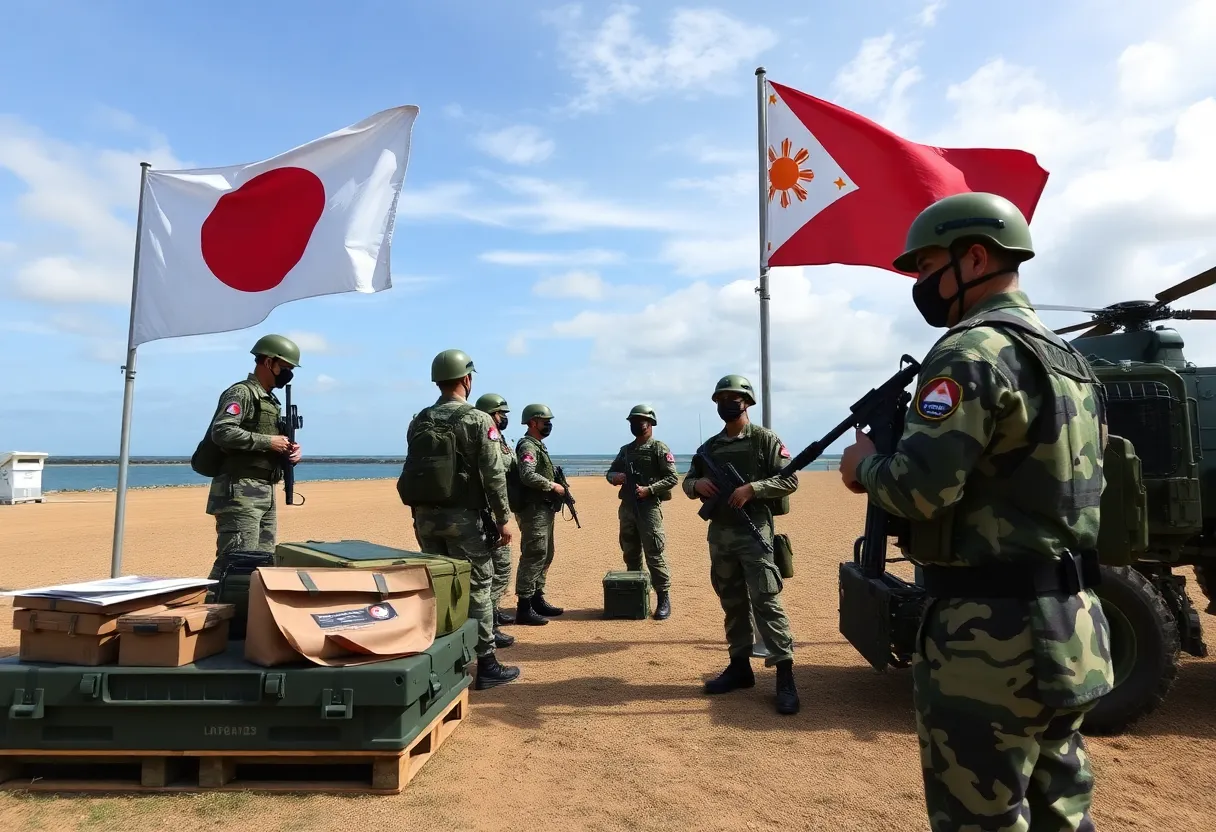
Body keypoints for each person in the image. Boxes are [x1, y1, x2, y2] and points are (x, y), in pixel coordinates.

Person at [837, 192, 1113, 831]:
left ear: (976, 257)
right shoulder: (1071, 362)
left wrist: (864, 469)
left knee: (980, 818)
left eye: (929, 266)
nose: (921, 284)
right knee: (1061, 813)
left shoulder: (971, 353)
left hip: (990, 638)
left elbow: (919, 490)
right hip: (1073, 625)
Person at [681, 375, 800, 715]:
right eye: (721, 399)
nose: (727, 404)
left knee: (766, 600)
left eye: (733, 398)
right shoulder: (710, 448)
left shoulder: (765, 440)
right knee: (731, 602)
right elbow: (688, 481)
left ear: (747, 401)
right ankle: (739, 666)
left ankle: (785, 674)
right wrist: (697, 484)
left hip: (754, 532)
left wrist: (753, 489)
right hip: (720, 535)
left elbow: (789, 479)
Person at [402, 349, 520, 689]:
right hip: (464, 519)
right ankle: (486, 664)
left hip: (425, 517)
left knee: (438, 587)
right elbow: (494, 474)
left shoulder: (420, 419)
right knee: (478, 587)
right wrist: (503, 519)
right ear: (467, 380)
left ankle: (443, 660)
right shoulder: (478, 420)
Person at [204, 334, 302, 582]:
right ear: (269, 362)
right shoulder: (242, 393)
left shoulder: (271, 401)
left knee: (262, 564)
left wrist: (289, 451)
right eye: (286, 368)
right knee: (235, 562)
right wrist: (270, 441)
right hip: (240, 490)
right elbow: (222, 430)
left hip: (265, 490)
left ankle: (246, 615)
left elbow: (269, 441)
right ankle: (212, 611)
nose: (288, 374)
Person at [606, 404, 678, 620]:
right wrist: (615, 478)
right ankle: (635, 594)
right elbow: (610, 472)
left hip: (649, 509)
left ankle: (663, 598)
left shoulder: (659, 448)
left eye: (641, 420)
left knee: (655, 553)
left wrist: (650, 490)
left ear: (651, 423)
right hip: (627, 507)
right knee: (630, 552)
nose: (637, 424)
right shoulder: (626, 450)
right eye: (633, 421)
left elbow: (672, 478)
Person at [513, 403, 565, 625]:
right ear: (533, 422)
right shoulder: (528, 446)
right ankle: (524, 605)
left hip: (543, 509)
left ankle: (536, 597)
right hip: (533, 510)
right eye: (546, 422)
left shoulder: (538, 445)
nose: (549, 425)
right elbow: (527, 475)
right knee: (534, 554)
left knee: (546, 554)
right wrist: (552, 486)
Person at [475, 391, 519, 648]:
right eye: (501, 413)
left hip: (490, 510)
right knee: (499, 568)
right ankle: (489, 626)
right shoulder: (487, 436)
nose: (504, 418)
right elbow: (495, 473)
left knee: (495, 570)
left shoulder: (498, 437)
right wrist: (503, 517)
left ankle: (492, 613)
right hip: (490, 512)